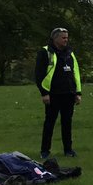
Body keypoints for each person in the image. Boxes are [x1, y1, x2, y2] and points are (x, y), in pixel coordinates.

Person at [34, 26, 82, 159]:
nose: (66, 40)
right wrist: (44, 93)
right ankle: (45, 151)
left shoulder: (70, 53)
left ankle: (68, 150)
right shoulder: (45, 52)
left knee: (67, 123)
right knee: (50, 122)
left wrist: (78, 93)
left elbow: (75, 73)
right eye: (63, 37)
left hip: (68, 93)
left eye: (67, 37)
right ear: (55, 38)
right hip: (52, 94)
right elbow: (39, 74)